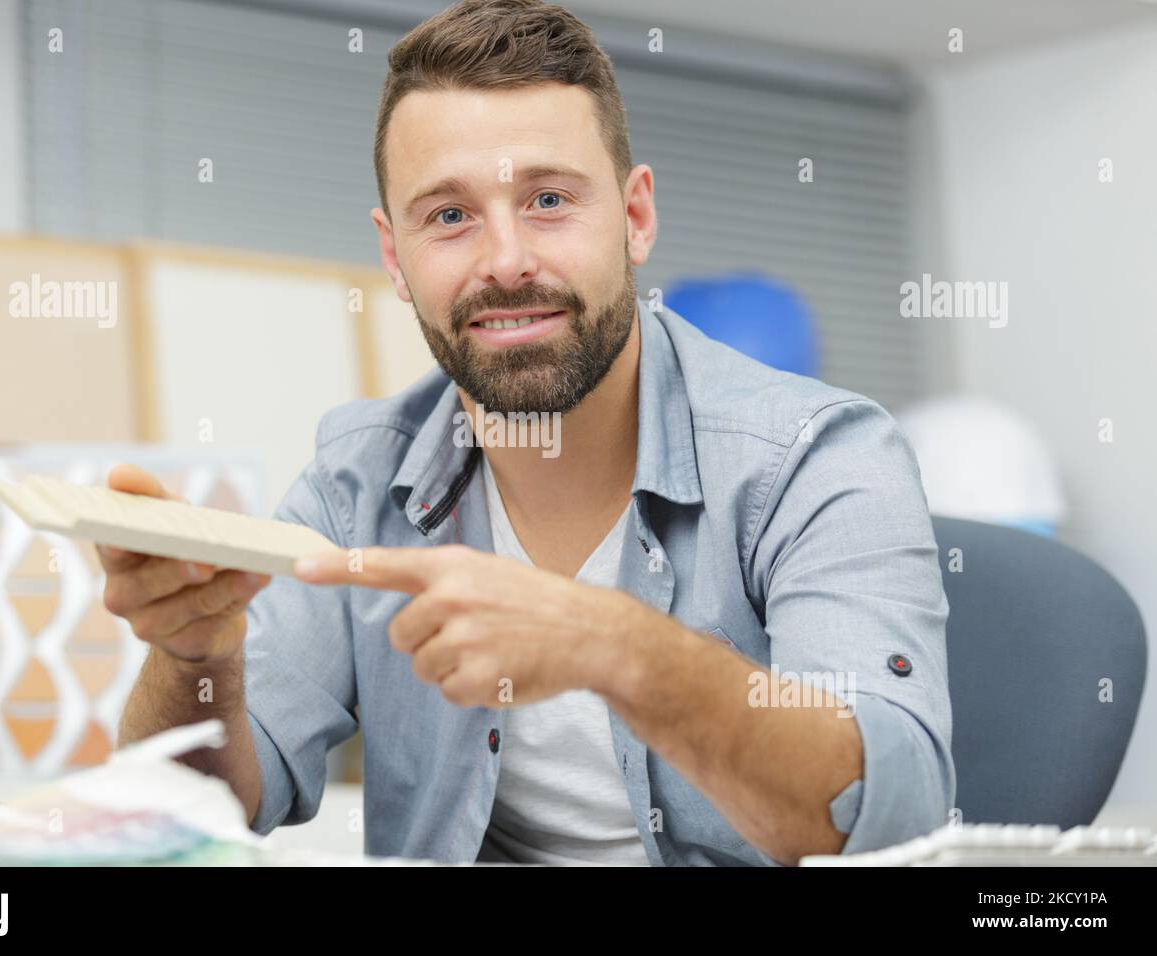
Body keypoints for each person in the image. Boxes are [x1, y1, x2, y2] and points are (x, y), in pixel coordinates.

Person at [106, 0, 953, 866]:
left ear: (635, 219)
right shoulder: (355, 483)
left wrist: (614, 646)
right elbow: (192, 810)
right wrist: (192, 657)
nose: (505, 260)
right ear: (395, 258)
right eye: (448, 215)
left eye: (548, 199)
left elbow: (890, 815)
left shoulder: (819, 459)